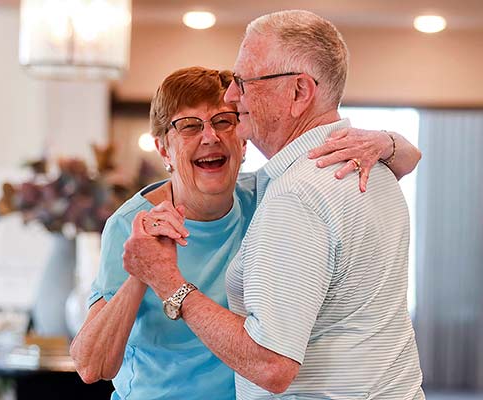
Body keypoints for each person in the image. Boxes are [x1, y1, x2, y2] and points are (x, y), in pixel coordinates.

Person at [71, 64, 421, 398]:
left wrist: (383, 142)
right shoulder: (131, 224)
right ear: (164, 148)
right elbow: (91, 366)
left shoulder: (271, 197)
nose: (210, 137)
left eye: (224, 121)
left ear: (242, 141)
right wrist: (143, 272)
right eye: (190, 126)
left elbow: (410, 158)